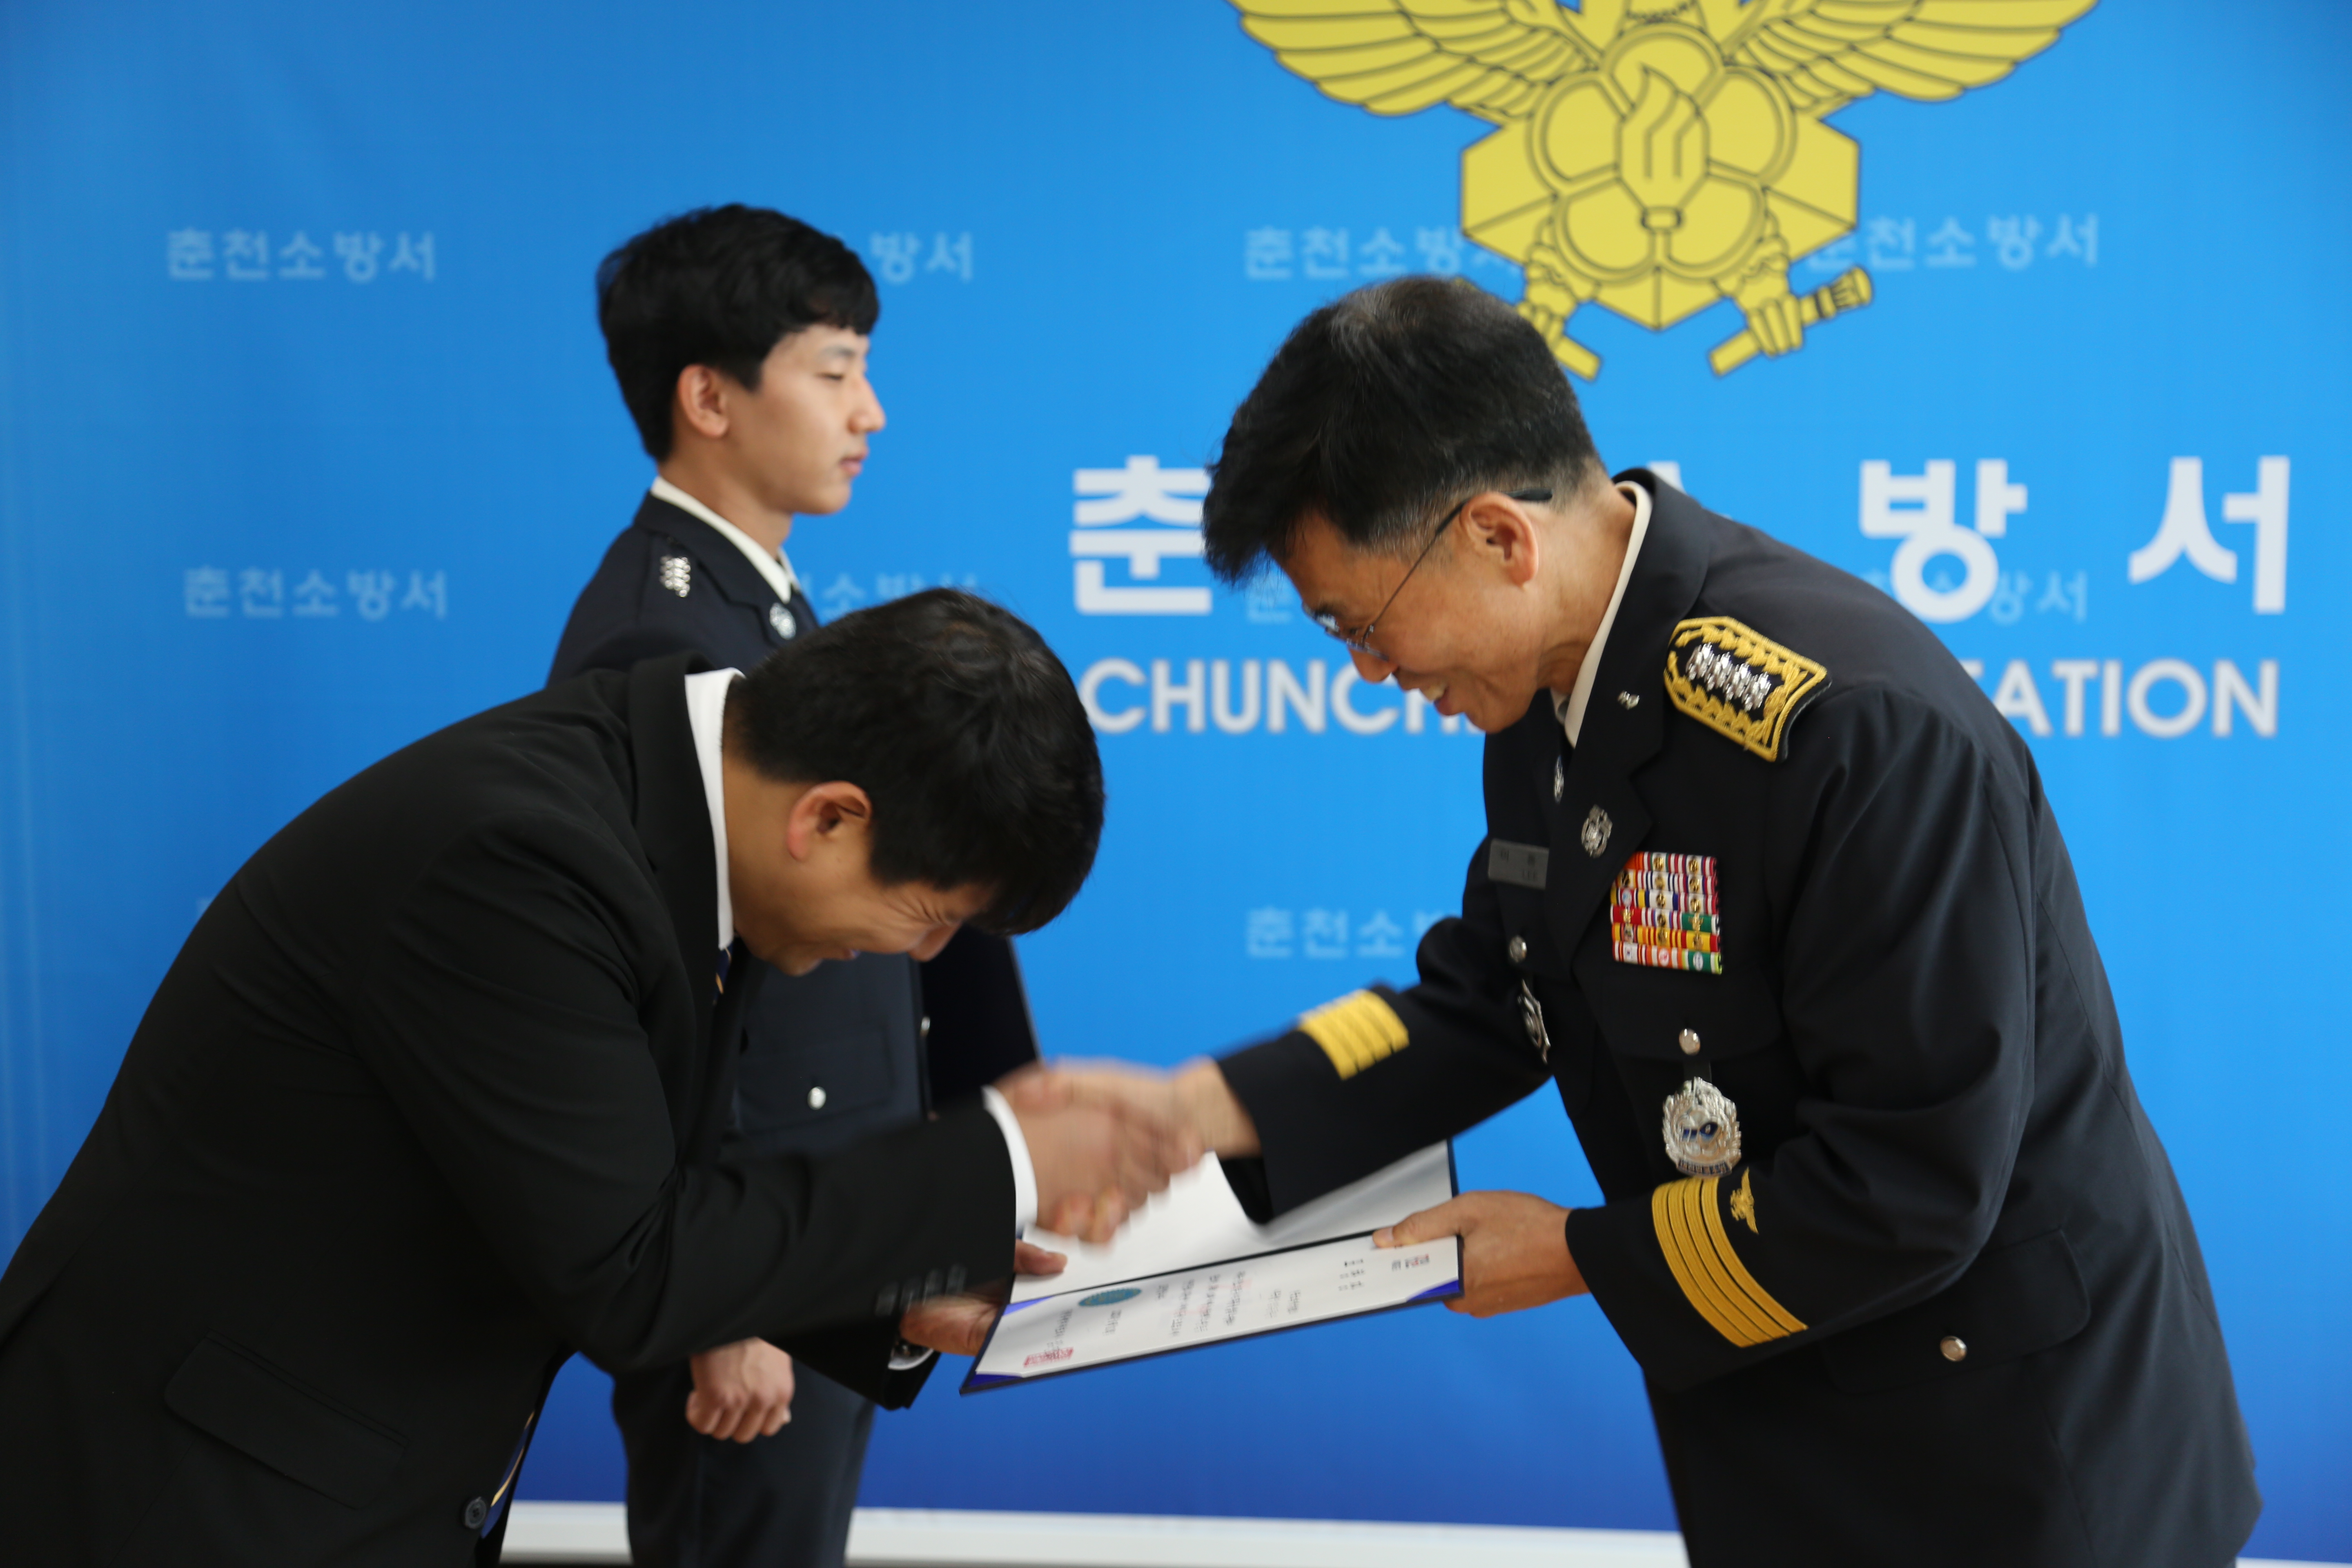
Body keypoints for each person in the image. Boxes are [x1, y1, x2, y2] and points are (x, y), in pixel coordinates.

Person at [1048, 277, 2260, 1566]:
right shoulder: (1544, 698)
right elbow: (1493, 997)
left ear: (1498, 538)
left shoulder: (1851, 730)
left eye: (1363, 623)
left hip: (2007, 1453)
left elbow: (1915, 1181)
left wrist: (1580, 1254)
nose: (1371, 671)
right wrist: (1196, 1111)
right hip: (1787, 1427)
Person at [0, 590, 1195, 1567]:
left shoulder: (677, 805)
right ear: (829, 819)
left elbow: (634, 1192)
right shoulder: (521, 862)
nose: (921, 960)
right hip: (196, 1490)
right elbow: (631, 1272)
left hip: (337, 1476)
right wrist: (996, 1159)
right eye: (928, 917)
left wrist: (895, 1299)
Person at [550, 204, 1040, 1568]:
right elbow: (653, 999)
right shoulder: (658, 638)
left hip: (820, 1234)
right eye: (834, 371)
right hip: (751, 1266)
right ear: (708, 397)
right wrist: (723, 1308)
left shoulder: (763, 609)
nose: (869, 412)